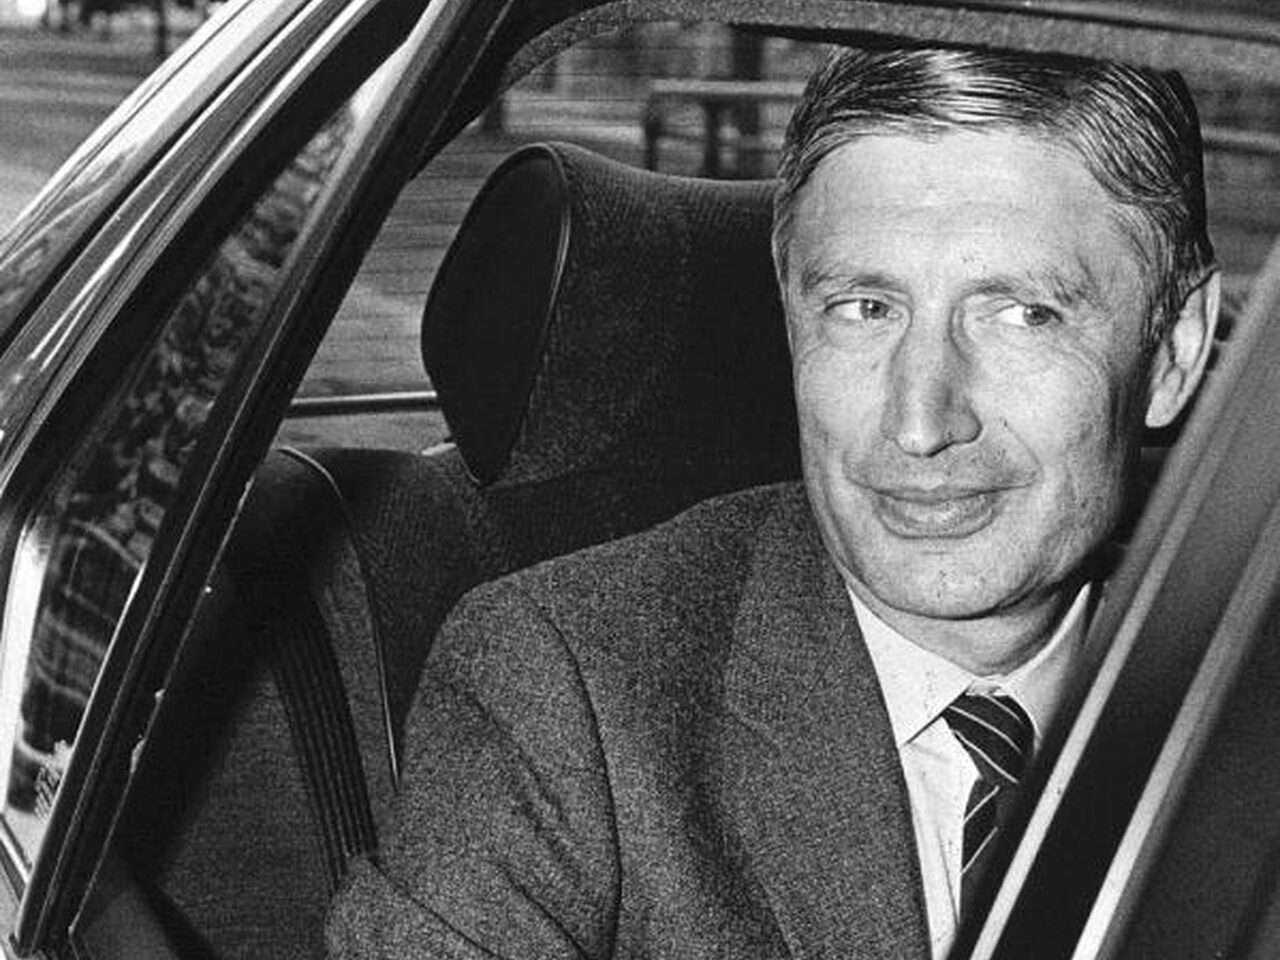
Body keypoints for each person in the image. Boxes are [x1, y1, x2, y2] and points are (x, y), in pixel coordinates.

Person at [328, 46, 1219, 959]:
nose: (920, 423)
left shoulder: (1242, 678)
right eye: (864, 308)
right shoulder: (565, 697)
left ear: (1175, 351)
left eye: (1024, 314)